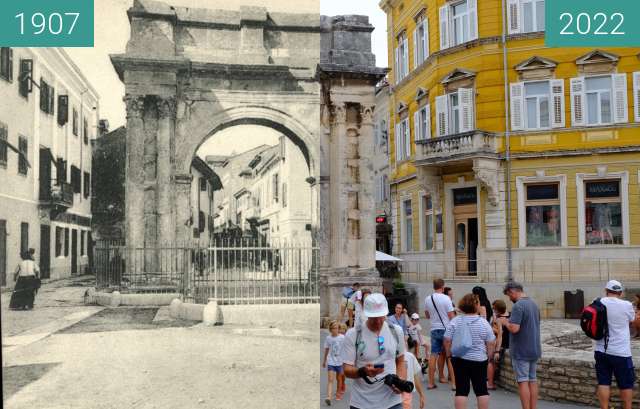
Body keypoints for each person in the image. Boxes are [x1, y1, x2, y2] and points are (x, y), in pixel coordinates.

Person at [341, 293, 407, 409]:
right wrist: (363, 372)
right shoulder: (353, 334)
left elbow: (401, 361)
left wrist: (400, 380)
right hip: (362, 403)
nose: (378, 321)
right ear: (366, 314)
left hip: (392, 402)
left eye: (381, 316)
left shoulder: (397, 332)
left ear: (386, 313)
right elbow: (347, 370)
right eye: (373, 317)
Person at [443, 293, 496, 409]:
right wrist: (489, 356)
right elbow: (491, 342)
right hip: (479, 359)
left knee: (461, 390)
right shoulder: (483, 323)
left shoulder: (455, 321)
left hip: (459, 359)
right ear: (476, 305)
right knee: (481, 389)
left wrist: (448, 354)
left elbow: (447, 340)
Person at [593, 280, 639, 409]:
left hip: (601, 350)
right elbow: (633, 322)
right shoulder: (626, 305)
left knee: (603, 383)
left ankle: (604, 407)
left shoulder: (597, 302)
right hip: (621, 352)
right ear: (620, 292)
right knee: (626, 385)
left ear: (606, 291)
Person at [498, 282, 541, 409]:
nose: (509, 298)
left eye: (508, 295)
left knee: (523, 381)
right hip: (534, 348)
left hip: (521, 349)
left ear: (512, 291)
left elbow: (514, 328)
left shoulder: (518, 306)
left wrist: (505, 322)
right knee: (532, 380)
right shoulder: (534, 304)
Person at [424, 278, 456, 389]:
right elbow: (451, 316)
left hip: (434, 329)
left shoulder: (428, 299)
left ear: (434, 286)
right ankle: (454, 384)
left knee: (433, 355)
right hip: (446, 329)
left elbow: (427, 315)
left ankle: (430, 382)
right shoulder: (446, 298)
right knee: (449, 356)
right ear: (442, 287)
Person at [323, 321, 346, 405]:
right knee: (330, 380)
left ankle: (338, 392)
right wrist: (324, 360)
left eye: (336, 328)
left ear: (338, 329)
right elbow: (326, 349)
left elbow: (347, 348)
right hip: (331, 361)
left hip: (340, 362)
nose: (334, 330)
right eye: (333, 328)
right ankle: (328, 397)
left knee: (339, 379)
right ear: (330, 329)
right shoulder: (328, 338)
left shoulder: (342, 338)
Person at [487, 299, 508, 390]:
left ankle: (490, 383)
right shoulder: (509, 315)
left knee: (491, 361)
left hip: (500, 344)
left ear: (497, 309)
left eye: (494, 308)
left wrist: (497, 351)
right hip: (509, 343)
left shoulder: (499, 319)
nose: (493, 310)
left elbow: (500, 335)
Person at [403, 339, 426, 409]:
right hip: (405, 395)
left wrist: (421, 395)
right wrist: (421, 395)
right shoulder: (409, 356)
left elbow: (415, 376)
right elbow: (415, 376)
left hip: (402, 397)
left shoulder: (410, 356)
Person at [337, 322, 349, 398]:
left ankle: (342, 385)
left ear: (345, 330)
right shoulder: (336, 337)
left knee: (342, 375)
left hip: (344, 359)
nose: (341, 330)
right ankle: (339, 387)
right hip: (336, 359)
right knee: (337, 376)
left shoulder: (347, 338)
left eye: (343, 329)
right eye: (340, 329)